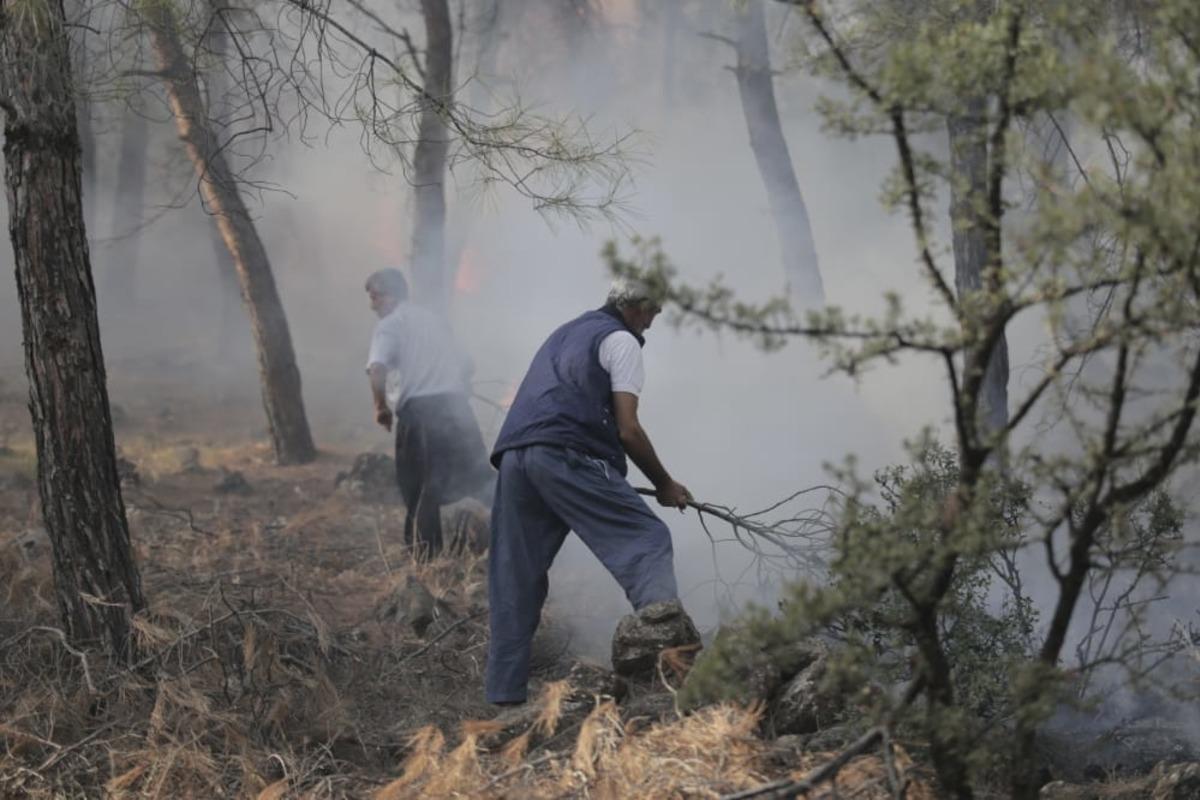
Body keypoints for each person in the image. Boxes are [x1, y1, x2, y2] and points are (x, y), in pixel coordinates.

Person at [485, 278, 692, 705]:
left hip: (516, 456)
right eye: (653, 312)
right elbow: (628, 429)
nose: (652, 323)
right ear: (637, 306)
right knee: (647, 540)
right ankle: (669, 671)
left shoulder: (566, 332)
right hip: (567, 454)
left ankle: (504, 695)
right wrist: (664, 484)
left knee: (514, 576)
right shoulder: (622, 341)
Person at [364, 268, 492, 558]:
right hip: (457, 411)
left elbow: (377, 368)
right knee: (479, 479)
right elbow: (467, 364)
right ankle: (509, 536)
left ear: (390, 296)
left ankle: (426, 560)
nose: (372, 306)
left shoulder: (390, 325)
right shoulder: (434, 320)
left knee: (420, 488)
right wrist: (460, 384)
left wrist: (380, 407)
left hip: (421, 416)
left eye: (375, 297)